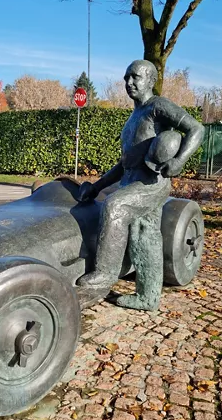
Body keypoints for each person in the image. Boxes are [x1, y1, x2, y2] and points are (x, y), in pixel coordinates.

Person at [75, 59, 204, 310]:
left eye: (135, 77)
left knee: (115, 207)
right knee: (145, 236)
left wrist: (179, 160)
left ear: (151, 81)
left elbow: (196, 129)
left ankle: (105, 275)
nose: (129, 82)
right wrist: (96, 186)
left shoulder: (158, 106)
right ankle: (147, 296)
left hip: (151, 184)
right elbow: (124, 163)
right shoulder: (133, 118)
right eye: (126, 78)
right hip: (132, 180)